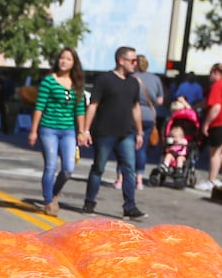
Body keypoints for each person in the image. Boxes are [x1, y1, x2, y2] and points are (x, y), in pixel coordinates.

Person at [81, 46, 147, 219]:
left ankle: (130, 206)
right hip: (104, 132)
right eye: (133, 61)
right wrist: (85, 130)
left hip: (126, 133)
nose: (136, 64)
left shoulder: (134, 82)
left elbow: (136, 108)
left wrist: (140, 132)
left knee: (129, 170)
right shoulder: (104, 79)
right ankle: (89, 201)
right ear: (121, 61)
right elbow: (93, 105)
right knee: (98, 168)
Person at [27, 47, 87, 216]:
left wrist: (82, 131)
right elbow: (39, 107)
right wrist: (33, 130)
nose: (64, 61)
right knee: (51, 166)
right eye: (62, 58)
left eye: (68, 59)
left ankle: (54, 193)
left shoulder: (77, 85)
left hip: (68, 130)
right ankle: (48, 202)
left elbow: (80, 109)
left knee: (68, 169)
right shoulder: (49, 82)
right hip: (48, 129)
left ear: (74, 63)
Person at [134, 55, 165, 185]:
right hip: (149, 116)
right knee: (142, 147)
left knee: (127, 146)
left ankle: (121, 177)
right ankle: (139, 178)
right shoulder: (155, 79)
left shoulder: (131, 78)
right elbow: (160, 100)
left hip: (133, 115)